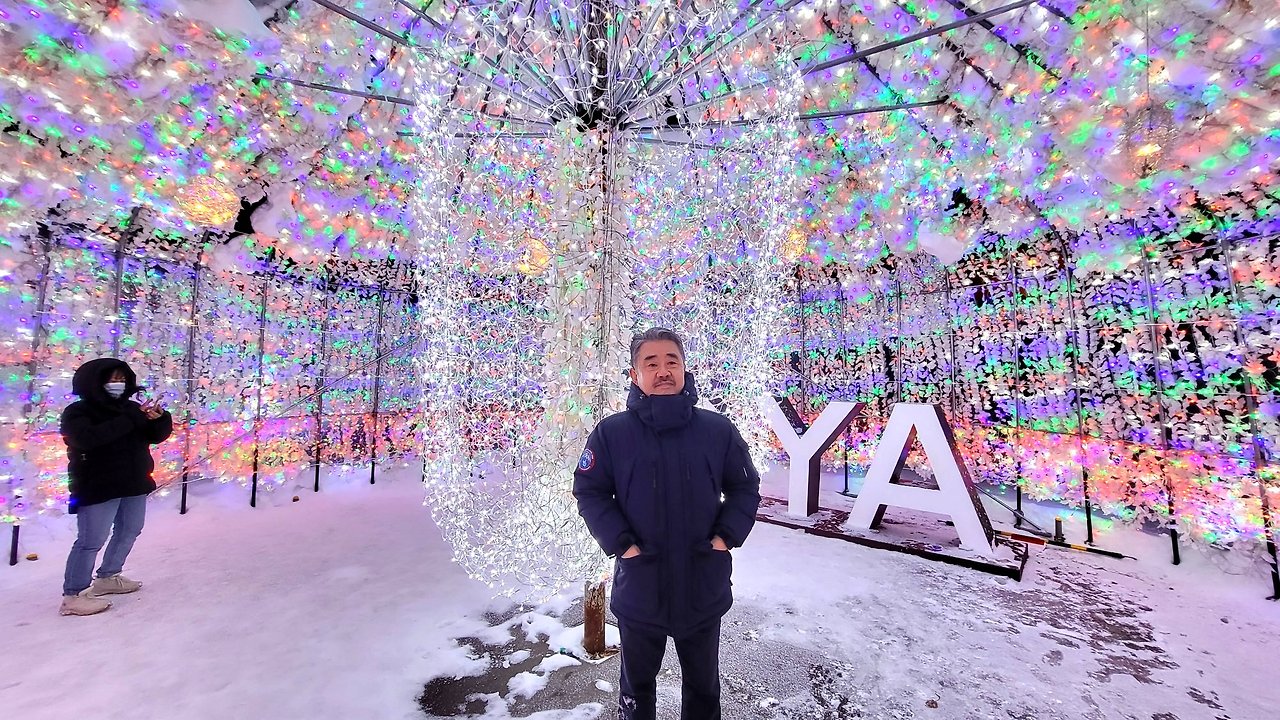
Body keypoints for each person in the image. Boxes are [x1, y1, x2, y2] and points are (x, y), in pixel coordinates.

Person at [573, 328, 762, 720]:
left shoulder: (717, 430)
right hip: (641, 587)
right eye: (652, 363)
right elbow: (590, 492)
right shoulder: (612, 434)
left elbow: (745, 487)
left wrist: (724, 538)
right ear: (634, 374)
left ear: (684, 368)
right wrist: (624, 545)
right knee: (637, 690)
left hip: (702, 585)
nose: (663, 371)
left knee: (703, 689)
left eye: (671, 361)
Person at [59, 358, 172, 616]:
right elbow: (86, 439)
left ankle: (108, 576)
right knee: (91, 540)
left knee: (130, 530)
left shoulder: (131, 408)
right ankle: (73, 595)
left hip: (134, 482)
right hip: (97, 485)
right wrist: (130, 418)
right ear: (95, 382)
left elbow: (155, 436)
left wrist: (160, 419)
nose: (118, 384)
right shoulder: (78, 412)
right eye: (112, 379)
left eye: (122, 379)